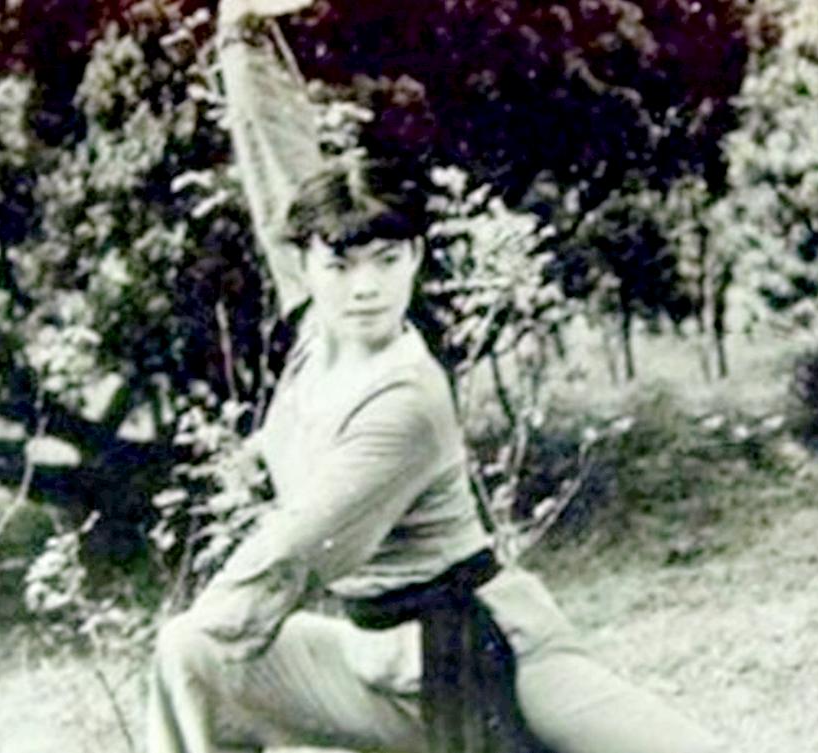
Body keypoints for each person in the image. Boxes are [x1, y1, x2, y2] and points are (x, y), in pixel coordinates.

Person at [146, 2, 727, 752]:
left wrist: (220, 620)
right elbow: (279, 170)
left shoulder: (406, 398)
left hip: (485, 654)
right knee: (188, 653)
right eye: (341, 265)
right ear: (306, 264)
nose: (366, 287)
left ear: (416, 258)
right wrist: (244, 34)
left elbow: (293, 550)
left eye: (388, 261)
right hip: (368, 664)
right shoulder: (315, 328)